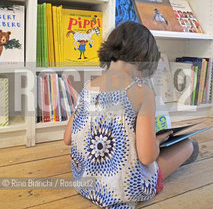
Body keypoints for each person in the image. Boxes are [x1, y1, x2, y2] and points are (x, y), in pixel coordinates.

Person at [64, 21, 199, 209]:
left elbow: (67, 138)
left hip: (85, 183)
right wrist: (157, 142)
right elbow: (146, 157)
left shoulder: (89, 87)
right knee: (188, 146)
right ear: (141, 57)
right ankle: (187, 152)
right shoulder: (141, 92)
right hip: (123, 189)